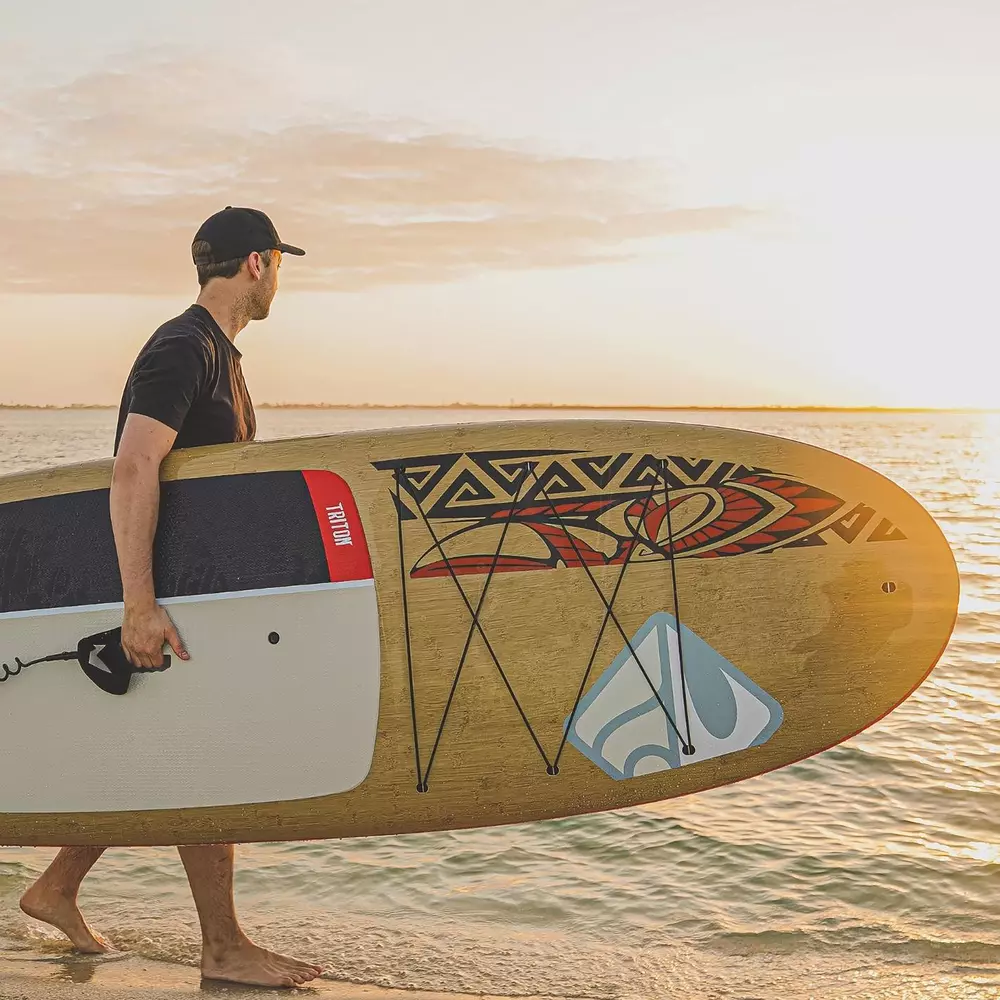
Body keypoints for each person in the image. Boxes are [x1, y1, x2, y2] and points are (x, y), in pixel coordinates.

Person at [18, 207, 325, 989]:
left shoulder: (217, 354)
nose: (279, 279)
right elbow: (133, 466)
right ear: (256, 264)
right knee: (206, 760)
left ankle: (58, 888)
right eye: (278, 264)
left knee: (164, 748)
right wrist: (139, 606)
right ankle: (222, 947)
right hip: (168, 596)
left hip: (198, 596)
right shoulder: (184, 346)